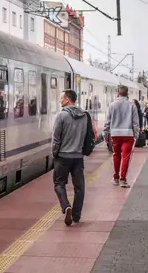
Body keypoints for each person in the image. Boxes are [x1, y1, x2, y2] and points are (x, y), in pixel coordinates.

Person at [51, 89, 89, 226]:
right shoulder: (84, 116)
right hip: (78, 157)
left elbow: (56, 138)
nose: (60, 100)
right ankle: (76, 215)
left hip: (63, 156)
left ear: (67, 100)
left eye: (62, 98)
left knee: (59, 183)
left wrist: (54, 154)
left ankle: (66, 206)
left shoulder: (61, 116)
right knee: (79, 187)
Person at [104, 86, 139, 188]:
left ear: (117, 93)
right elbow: (135, 123)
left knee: (116, 155)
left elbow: (108, 121)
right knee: (126, 157)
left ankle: (116, 178)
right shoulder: (132, 106)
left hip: (115, 134)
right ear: (127, 94)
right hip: (128, 135)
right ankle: (123, 179)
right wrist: (136, 135)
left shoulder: (112, 105)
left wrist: (106, 133)